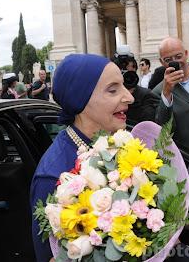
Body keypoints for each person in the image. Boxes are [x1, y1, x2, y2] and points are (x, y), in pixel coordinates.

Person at [30, 54, 134, 262]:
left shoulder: (121, 142)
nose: (129, 97)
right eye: (113, 90)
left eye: (123, 86)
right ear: (81, 98)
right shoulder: (52, 176)